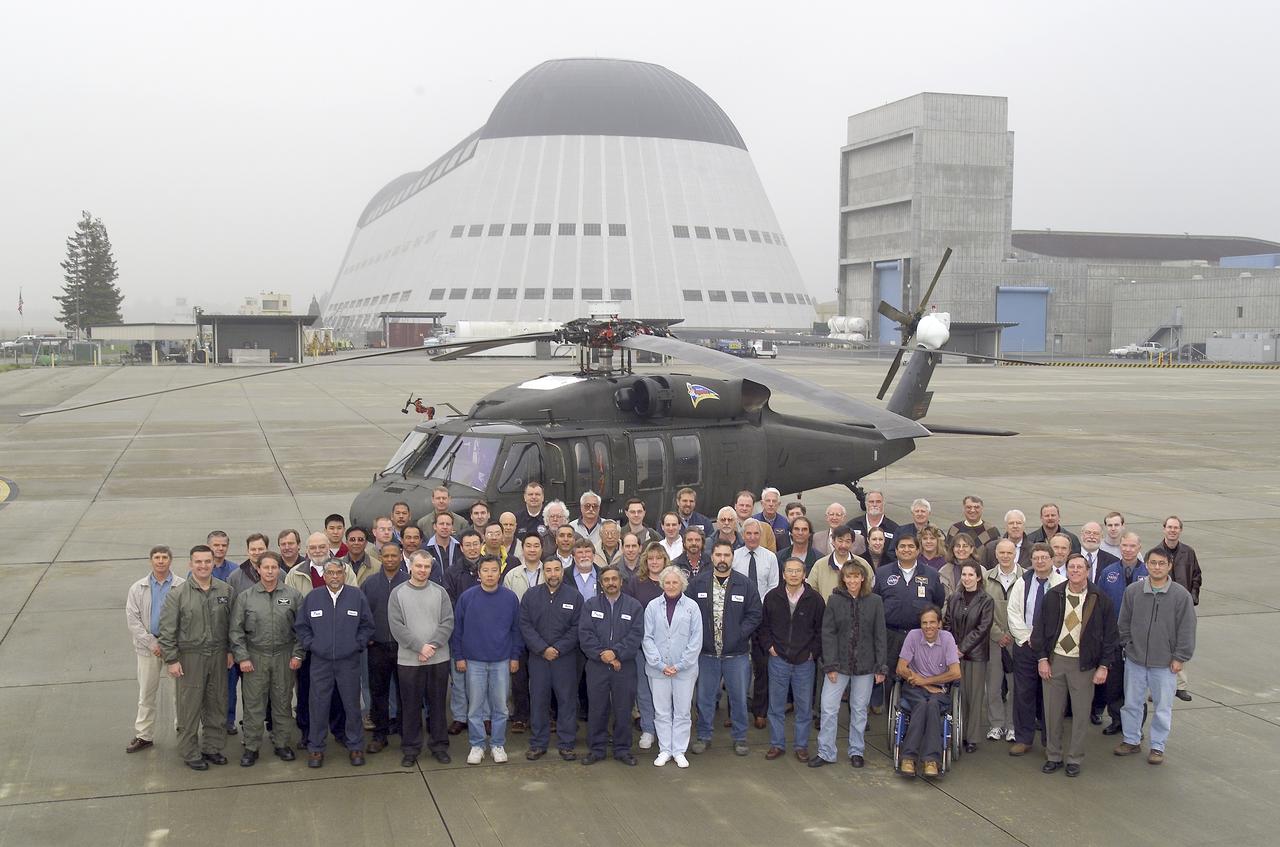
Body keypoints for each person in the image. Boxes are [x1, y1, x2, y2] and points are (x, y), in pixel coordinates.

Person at [1032, 553, 1117, 777]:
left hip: (1084, 664)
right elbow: (1039, 630)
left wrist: (1103, 666)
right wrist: (1042, 659)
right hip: (1055, 660)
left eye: (1080, 567)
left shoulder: (1100, 599)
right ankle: (1053, 755)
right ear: (1066, 570)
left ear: (1087, 571)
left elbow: (1110, 636)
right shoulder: (1054, 596)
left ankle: (1074, 759)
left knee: (1080, 714)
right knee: (1052, 712)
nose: (1076, 571)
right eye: (1072, 567)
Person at [1114, 547, 1196, 765]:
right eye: (1153, 563)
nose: (1157, 567)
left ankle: (1157, 746)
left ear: (1169, 566)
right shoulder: (1133, 591)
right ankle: (1131, 740)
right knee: (1131, 703)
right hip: (1135, 660)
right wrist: (1128, 646)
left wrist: (1180, 657)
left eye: (1162, 563)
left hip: (1165, 664)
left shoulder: (1181, 596)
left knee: (1162, 707)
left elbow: (1187, 629)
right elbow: (1123, 623)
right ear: (1147, 565)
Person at [157, 544, 233, 770]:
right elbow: (167, 630)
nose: (203, 566)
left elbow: (231, 625)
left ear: (213, 563)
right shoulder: (177, 595)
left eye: (207, 561)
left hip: (218, 655)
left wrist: (229, 650)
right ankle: (190, 752)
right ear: (191, 564)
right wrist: (171, 660)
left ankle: (212, 747)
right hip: (190, 658)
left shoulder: (225, 591)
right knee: (189, 707)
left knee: (217, 703)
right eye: (198, 562)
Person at [294, 560, 375, 768]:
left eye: (338, 572)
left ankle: (355, 745)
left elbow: (367, 625)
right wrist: (312, 645)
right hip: (320, 662)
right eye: (330, 573)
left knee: (351, 705)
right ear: (324, 575)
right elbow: (302, 627)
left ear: (344, 574)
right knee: (318, 705)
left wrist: (357, 644)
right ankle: (316, 748)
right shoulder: (313, 597)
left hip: (348, 661)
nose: (334, 576)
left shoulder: (356, 597)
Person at [229, 551, 304, 766]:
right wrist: (242, 657)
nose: (270, 571)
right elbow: (236, 631)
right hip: (255, 656)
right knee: (254, 704)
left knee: (282, 702)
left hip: (284, 655)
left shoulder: (293, 595)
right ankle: (251, 747)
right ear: (258, 570)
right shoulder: (246, 597)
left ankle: (282, 743)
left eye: (274, 567)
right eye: (266, 567)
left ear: (279, 570)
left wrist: (298, 654)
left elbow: (302, 629)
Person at [688, 540, 762, 757]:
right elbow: (689, 613)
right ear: (712, 557)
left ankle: (740, 738)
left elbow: (755, 614)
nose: (722, 559)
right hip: (706, 654)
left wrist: (739, 634)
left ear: (732, 557)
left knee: (738, 698)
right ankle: (704, 736)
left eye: (726, 555)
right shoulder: (698, 584)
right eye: (718, 555)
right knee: (704, 698)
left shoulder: (745, 584)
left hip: (736, 654)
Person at [811, 558, 885, 768]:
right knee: (828, 708)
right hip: (839, 665)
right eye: (849, 576)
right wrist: (831, 665)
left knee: (859, 709)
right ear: (843, 578)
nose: (853, 580)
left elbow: (879, 635)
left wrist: (880, 666)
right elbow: (828, 633)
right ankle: (826, 751)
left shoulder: (875, 601)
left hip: (865, 666)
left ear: (863, 578)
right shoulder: (834, 601)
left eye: (856, 576)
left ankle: (856, 750)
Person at [451, 556, 522, 765]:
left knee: (500, 706)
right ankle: (477, 745)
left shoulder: (510, 598)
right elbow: (458, 630)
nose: (490, 574)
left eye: (494, 570)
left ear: (499, 573)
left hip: (501, 660)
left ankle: (498, 744)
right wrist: (460, 656)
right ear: (478, 574)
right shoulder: (467, 598)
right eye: (486, 570)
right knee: (475, 706)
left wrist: (515, 656)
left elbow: (516, 630)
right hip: (474, 661)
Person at [388, 550, 455, 767]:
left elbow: (447, 622)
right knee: (411, 706)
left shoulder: (440, 592)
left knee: (437, 705)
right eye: (418, 566)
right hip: (409, 660)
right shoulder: (398, 594)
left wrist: (432, 646)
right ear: (410, 566)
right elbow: (396, 626)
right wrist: (419, 647)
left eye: (426, 567)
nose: (422, 570)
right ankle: (411, 748)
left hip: (438, 658)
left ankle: (439, 746)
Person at [578, 565, 645, 766]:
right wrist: (603, 655)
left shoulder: (634, 607)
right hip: (597, 666)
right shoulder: (590, 605)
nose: (611, 583)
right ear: (601, 583)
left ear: (621, 582)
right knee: (597, 709)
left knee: (624, 709)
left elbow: (635, 636)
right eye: (606, 580)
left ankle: (622, 749)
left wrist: (615, 653)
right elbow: (585, 635)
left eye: (614, 579)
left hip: (624, 667)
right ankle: (596, 749)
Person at [758, 557, 824, 761]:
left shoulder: (815, 599)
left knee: (804, 708)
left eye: (798, 571)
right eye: (790, 571)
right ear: (783, 574)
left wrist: (813, 652)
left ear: (804, 574)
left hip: (805, 661)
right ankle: (777, 744)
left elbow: (821, 630)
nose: (794, 575)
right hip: (779, 660)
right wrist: (770, 647)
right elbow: (763, 627)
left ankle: (801, 746)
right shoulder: (772, 597)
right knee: (776, 706)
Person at [518, 557, 582, 761]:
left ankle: (566, 744)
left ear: (562, 572)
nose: (553, 574)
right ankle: (538, 743)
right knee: (538, 700)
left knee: (567, 701)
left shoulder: (574, 596)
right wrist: (542, 648)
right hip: (539, 658)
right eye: (548, 570)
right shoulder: (531, 596)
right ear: (543, 572)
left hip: (566, 658)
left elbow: (578, 627)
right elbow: (525, 625)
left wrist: (559, 648)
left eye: (557, 570)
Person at [873, 534, 945, 711]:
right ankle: (891, 714)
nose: (906, 550)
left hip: (919, 635)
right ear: (896, 551)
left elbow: (938, 602)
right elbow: (875, 600)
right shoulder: (883, 573)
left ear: (918, 550)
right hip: (890, 633)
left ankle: (914, 714)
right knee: (889, 675)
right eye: (902, 547)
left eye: (911, 546)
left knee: (917, 675)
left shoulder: (931, 574)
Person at [1005, 543, 1065, 756]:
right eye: (1036, 558)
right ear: (1031, 561)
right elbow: (1013, 612)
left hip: (1051, 649)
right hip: (1026, 645)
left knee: (1050, 696)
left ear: (1052, 559)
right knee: (1023, 693)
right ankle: (1023, 738)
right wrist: (1027, 638)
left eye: (1044, 558)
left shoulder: (1061, 583)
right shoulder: (1022, 582)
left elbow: (1063, 617)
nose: (1040, 561)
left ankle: (1051, 740)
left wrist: (1045, 641)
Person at [125, 545, 185, 754]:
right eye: (157, 557)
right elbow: (133, 620)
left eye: (164, 557)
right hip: (148, 649)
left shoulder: (182, 586)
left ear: (171, 560)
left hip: (175, 648)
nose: (160, 561)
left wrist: (170, 643)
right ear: (151, 560)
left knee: (180, 693)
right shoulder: (137, 588)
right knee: (146, 693)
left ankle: (183, 730)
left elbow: (187, 617)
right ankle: (144, 735)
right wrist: (152, 643)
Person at [643, 565, 703, 768]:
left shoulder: (692, 607)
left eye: (674, 582)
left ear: (682, 584)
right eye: (667, 582)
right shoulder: (652, 606)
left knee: (683, 712)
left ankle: (679, 750)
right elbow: (647, 638)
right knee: (661, 711)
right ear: (662, 584)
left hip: (684, 670)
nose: (670, 586)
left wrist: (680, 665)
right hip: (658, 670)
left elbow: (696, 640)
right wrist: (660, 664)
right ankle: (665, 749)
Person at [895, 607, 961, 777]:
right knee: (922, 704)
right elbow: (901, 668)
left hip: (938, 690)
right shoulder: (913, 636)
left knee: (931, 704)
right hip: (914, 688)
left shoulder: (947, 639)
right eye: (924, 623)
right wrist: (922, 684)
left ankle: (930, 759)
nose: (928, 626)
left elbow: (955, 673)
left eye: (932, 622)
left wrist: (926, 681)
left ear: (939, 624)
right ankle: (909, 758)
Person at [360, 535, 410, 754]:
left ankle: (405, 732)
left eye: (394, 555)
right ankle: (380, 734)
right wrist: (368, 637)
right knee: (378, 691)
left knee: (405, 692)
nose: (390, 559)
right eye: (386, 555)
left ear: (401, 557)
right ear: (380, 557)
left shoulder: (409, 582)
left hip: (404, 648)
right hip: (377, 647)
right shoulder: (370, 583)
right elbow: (363, 615)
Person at [1098, 532, 1147, 736]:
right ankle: (1117, 719)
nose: (1127, 549)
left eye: (1132, 546)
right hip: (1114, 638)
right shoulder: (1109, 573)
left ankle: (1136, 726)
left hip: (1139, 641)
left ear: (1139, 547)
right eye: (1124, 545)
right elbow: (1100, 603)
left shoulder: (1148, 573)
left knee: (1136, 686)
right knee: (1114, 683)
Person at [943, 562, 994, 753]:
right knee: (958, 694)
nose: (966, 578)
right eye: (964, 574)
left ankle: (971, 737)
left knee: (974, 696)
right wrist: (951, 646)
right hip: (954, 654)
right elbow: (947, 622)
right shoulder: (954, 598)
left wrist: (962, 648)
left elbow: (982, 628)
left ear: (978, 577)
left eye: (971, 575)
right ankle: (958, 731)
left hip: (976, 655)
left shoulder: (986, 600)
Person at [734, 518, 778, 728]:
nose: (752, 537)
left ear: (761, 536)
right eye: (748, 534)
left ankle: (760, 710)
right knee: (738, 666)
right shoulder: (734, 557)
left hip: (761, 618)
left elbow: (774, 586)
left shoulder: (770, 558)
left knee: (762, 666)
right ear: (743, 535)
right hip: (739, 618)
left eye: (755, 534)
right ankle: (737, 709)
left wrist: (757, 608)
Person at [1153, 515, 1201, 701]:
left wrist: (1193, 596)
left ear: (1180, 530)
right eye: (1169, 527)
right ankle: (1156, 687)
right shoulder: (1156, 552)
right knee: (1159, 642)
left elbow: (1197, 575)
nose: (1172, 530)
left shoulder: (1188, 552)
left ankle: (1180, 685)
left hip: (1182, 603)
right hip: (1161, 604)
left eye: (1176, 528)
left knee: (1182, 640)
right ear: (1164, 529)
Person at [983, 539, 1023, 742]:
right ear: (996, 554)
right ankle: (996, 724)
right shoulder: (986, 578)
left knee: (1016, 685)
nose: (1006, 556)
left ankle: (1013, 725)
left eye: (1009, 552)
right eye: (1002, 552)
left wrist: (1015, 633)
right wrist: (998, 634)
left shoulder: (1025, 576)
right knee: (994, 685)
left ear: (1015, 553)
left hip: (1018, 641)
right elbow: (982, 611)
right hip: (994, 640)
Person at [206, 530, 239, 735]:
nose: (219, 548)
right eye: (216, 545)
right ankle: (210, 720)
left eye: (223, 545)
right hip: (208, 637)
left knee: (229, 683)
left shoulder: (234, 571)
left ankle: (229, 720)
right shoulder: (200, 570)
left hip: (228, 635)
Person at [807, 525, 870, 600]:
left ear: (852, 543)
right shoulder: (820, 565)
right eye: (840, 541)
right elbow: (811, 592)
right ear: (833, 541)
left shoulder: (862, 564)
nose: (843, 545)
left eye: (847, 541)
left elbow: (870, 588)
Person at [939, 533, 979, 599]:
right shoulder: (943, 571)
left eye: (965, 546)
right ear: (953, 549)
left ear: (971, 549)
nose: (961, 549)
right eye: (957, 546)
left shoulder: (981, 570)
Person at [424, 513, 458, 585]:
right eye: (441, 524)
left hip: (456, 590)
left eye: (448, 524)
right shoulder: (425, 549)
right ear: (435, 526)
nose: (445, 527)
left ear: (452, 527)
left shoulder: (460, 547)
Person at [514, 481, 548, 545]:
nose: (534, 497)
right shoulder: (516, 518)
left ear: (543, 497)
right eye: (530, 494)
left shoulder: (550, 517)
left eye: (537, 494)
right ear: (525, 497)